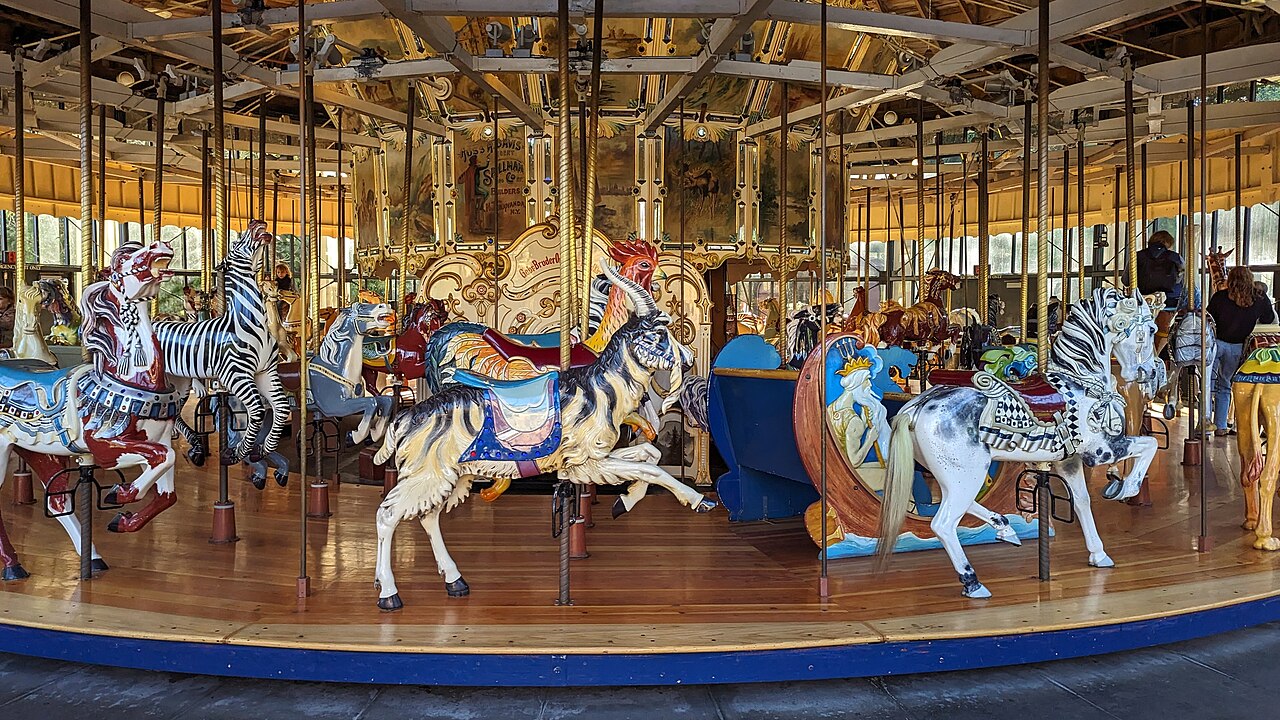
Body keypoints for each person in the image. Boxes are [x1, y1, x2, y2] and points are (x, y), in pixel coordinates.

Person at [1208, 266, 1275, 436]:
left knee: (1208, 384)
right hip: (1237, 345)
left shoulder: (1220, 297)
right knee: (1225, 385)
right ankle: (1221, 425)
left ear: (1230, 280)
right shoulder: (1259, 298)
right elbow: (1268, 319)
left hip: (1216, 343)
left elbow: (1209, 318)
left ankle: (1205, 425)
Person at [1135, 230, 1185, 356]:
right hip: (1170, 300)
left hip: (1143, 300)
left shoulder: (1138, 256)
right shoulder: (1175, 257)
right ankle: (1159, 353)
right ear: (1168, 243)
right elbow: (1182, 276)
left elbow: (1126, 279)